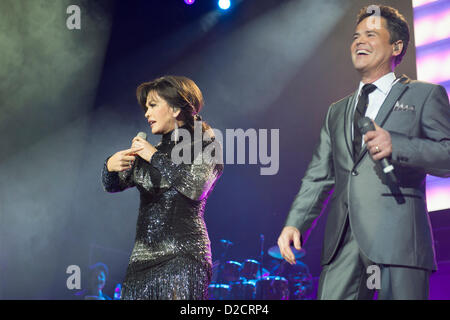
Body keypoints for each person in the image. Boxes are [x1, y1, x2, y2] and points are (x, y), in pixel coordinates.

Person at [277, 5, 450, 300]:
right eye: (356, 36)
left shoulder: (425, 95)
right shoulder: (337, 111)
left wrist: (399, 145)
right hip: (342, 242)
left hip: (399, 243)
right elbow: (319, 175)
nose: (359, 41)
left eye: (371, 35)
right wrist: (296, 222)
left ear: (396, 46)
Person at [102, 75, 223, 300]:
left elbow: (196, 187)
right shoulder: (148, 151)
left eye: (153, 106)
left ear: (176, 109)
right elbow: (114, 185)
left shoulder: (206, 145)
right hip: (140, 262)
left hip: (183, 257)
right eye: (146, 107)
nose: (146, 113)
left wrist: (154, 157)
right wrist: (110, 166)